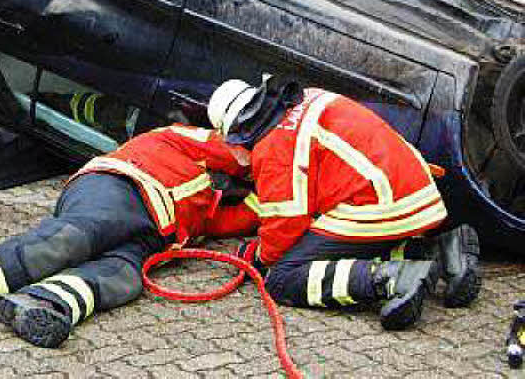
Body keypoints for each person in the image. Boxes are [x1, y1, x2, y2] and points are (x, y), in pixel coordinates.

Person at [0, 122, 258, 348]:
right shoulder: (180, 136)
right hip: (118, 187)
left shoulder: (212, 200)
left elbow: (244, 217)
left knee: (125, 279)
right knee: (73, 240)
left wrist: (271, 200)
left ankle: (42, 302)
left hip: (150, 236)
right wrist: (269, 161)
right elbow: (235, 157)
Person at [206, 76, 482, 331]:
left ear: (234, 134)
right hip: (413, 186)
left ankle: (389, 279)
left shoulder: (273, 144)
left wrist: (256, 256)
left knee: (282, 277)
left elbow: (285, 229)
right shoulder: (304, 98)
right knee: (330, 245)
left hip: (380, 200)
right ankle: (441, 249)